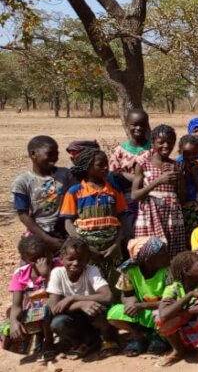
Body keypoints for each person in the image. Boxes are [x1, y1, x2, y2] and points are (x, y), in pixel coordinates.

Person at [59, 148, 125, 286]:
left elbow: (122, 220)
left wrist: (116, 244)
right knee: (88, 283)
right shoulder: (75, 192)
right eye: (100, 165)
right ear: (88, 167)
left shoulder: (114, 191)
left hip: (111, 249)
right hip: (85, 251)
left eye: (106, 163)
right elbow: (68, 224)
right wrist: (86, 247)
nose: (106, 167)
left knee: (114, 283)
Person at [46, 238, 119, 359]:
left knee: (99, 310)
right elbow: (54, 307)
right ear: (61, 259)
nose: (75, 263)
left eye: (80, 259)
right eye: (71, 259)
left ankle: (108, 339)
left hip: (92, 315)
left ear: (87, 260)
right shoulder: (57, 273)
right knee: (58, 323)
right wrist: (81, 304)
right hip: (74, 317)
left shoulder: (91, 270)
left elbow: (107, 295)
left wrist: (74, 298)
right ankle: (80, 343)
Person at [156, 251, 198, 367]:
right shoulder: (173, 288)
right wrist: (189, 295)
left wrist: (185, 311)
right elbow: (163, 314)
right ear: (187, 271)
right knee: (158, 317)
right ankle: (178, 350)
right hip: (183, 330)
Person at [107, 237, 172, 357]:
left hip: (162, 311)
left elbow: (170, 301)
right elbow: (126, 295)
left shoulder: (168, 271)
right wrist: (131, 304)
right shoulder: (130, 271)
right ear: (148, 258)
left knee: (164, 317)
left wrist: (141, 306)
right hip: (143, 310)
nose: (168, 254)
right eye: (162, 252)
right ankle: (140, 336)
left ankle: (159, 337)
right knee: (113, 313)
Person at [0, 236, 58, 361]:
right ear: (24, 259)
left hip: (56, 306)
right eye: (33, 260)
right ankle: (33, 342)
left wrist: (47, 275)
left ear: (50, 253)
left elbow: (56, 293)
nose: (40, 262)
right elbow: (17, 305)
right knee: (6, 327)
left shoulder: (58, 266)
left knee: (44, 307)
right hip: (35, 313)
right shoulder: (21, 273)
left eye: (43, 256)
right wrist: (14, 321)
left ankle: (48, 341)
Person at [13, 135, 74, 252]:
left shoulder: (66, 175)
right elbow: (23, 214)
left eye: (56, 154)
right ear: (33, 154)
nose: (54, 158)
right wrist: (46, 238)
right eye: (50, 154)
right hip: (40, 231)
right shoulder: (23, 181)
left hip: (65, 230)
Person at [133, 125, 188, 254]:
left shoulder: (178, 165)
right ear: (152, 143)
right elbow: (135, 195)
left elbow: (182, 199)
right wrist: (158, 180)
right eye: (161, 142)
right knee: (149, 252)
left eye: (170, 142)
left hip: (172, 215)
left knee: (171, 254)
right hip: (150, 215)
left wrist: (180, 179)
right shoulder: (143, 164)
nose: (166, 146)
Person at [109, 108, 151, 240]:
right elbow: (113, 177)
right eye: (134, 125)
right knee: (129, 235)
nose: (138, 128)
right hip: (124, 201)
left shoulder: (154, 150)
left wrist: (125, 175)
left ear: (147, 126)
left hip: (149, 199)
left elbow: (153, 177)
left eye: (142, 125)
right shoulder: (119, 152)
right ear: (127, 125)